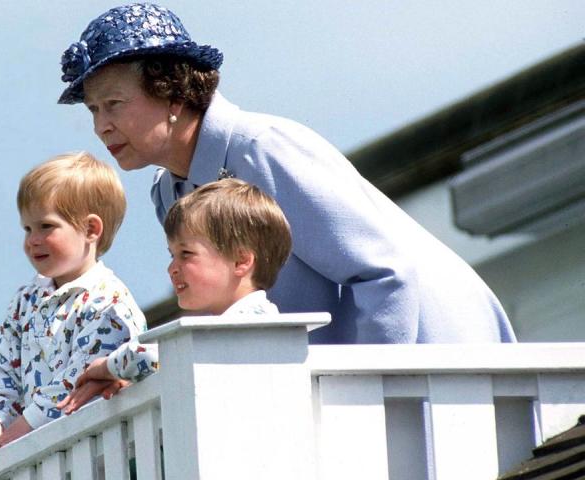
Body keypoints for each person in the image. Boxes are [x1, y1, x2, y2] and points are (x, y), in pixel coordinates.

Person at [56, 3, 515, 345]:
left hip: (442, 363)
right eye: (93, 110)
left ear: (172, 93)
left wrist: (364, 402)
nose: (101, 126)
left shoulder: (262, 148)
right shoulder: (169, 191)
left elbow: (384, 272)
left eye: (114, 104)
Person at [0, 152, 147, 472]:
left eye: (46, 226)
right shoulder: (27, 298)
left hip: (99, 458)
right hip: (42, 458)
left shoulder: (108, 302)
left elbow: (78, 381)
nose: (32, 241)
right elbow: (1, 363)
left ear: (91, 229)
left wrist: (18, 432)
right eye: (27, 228)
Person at [58, 178, 293, 415]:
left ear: (241, 261)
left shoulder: (251, 322)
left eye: (186, 254)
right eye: (172, 255)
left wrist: (106, 367)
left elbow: (155, 355)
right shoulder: (231, 326)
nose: (172, 268)